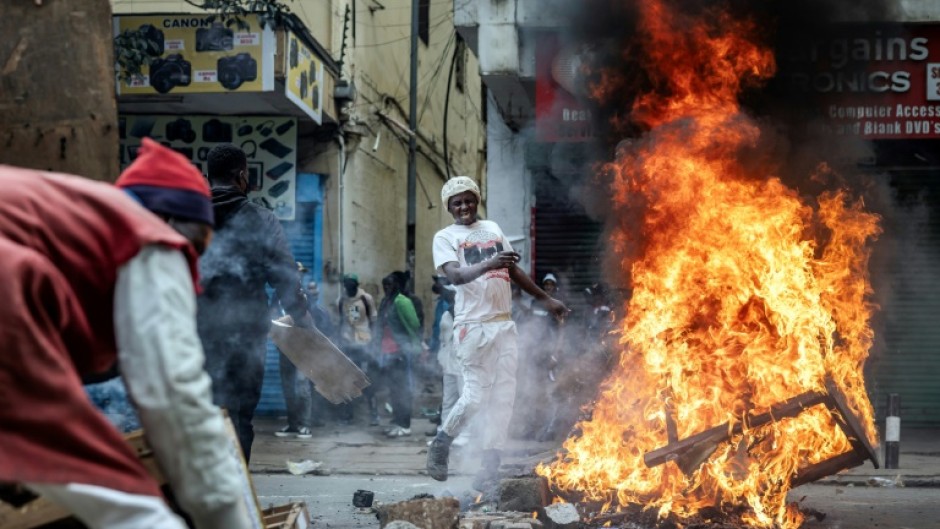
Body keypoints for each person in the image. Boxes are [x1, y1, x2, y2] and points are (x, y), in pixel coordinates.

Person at [0, 139, 252, 528]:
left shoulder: (76, 217)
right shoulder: (150, 237)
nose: (194, 259)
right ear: (172, 221)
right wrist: (227, 518)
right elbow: (175, 393)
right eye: (199, 243)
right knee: (120, 497)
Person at [426, 176, 568, 489]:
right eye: (457, 202)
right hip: (472, 326)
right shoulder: (445, 237)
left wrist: (546, 298)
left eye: (468, 199)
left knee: (504, 397)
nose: (464, 206)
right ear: (450, 207)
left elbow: (512, 270)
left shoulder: (491, 228)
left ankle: (489, 468)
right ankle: (442, 442)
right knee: (476, 396)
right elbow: (456, 276)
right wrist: (492, 262)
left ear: (477, 200)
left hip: (504, 324)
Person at [197, 143, 312, 462]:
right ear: (242, 176)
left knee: (199, 418)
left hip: (194, 335)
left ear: (209, 177)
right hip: (246, 336)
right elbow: (285, 276)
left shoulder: (189, 218)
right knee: (239, 419)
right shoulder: (262, 219)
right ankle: (238, 498)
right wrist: (304, 322)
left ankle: (200, 502)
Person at [275, 263, 321, 439]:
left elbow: (311, 322)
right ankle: (293, 424)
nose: (298, 276)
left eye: (301, 274)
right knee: (288, 387)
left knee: (302, 386)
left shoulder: (306, 296)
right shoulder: (278, 296)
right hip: (284, 347)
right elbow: (272, 316)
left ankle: (305, 425)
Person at [373, 272, 422, 437]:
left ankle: (405, 424)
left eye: (390, 285)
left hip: (400, 351)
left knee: (402, 389)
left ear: (397, 286)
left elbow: (414, 323)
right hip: (387, 352)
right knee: (393, 389)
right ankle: (397, 422)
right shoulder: (386, 302)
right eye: (384, 285)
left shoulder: (402, 301)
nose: (387, 288)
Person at [337, 273, 379, 424]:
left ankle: (374, 414)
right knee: (348, 379)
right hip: (348, 345)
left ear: (356, 284)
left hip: (364, 344)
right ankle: (348, 415)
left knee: (366, 379)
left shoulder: (365, 299)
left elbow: (374, 321)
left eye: (351, 283)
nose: (348, 286)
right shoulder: (342, 300)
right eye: (346, 283)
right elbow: (341, 321)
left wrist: (374, 343)